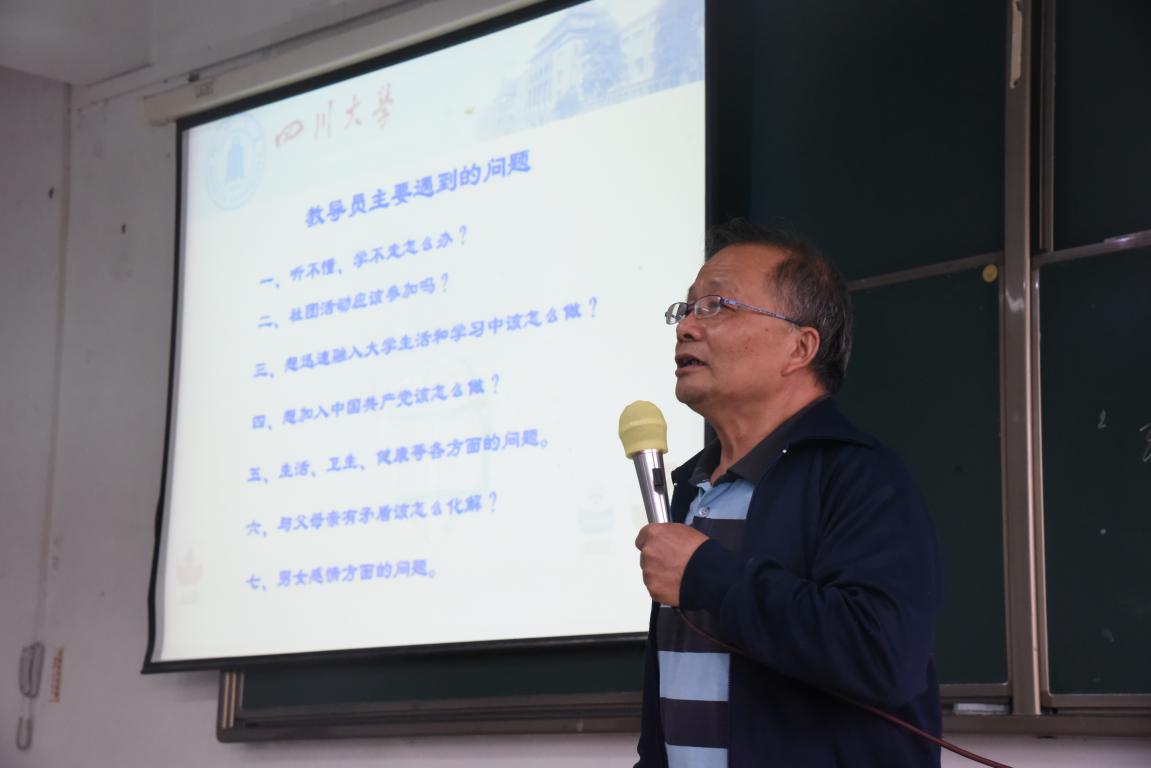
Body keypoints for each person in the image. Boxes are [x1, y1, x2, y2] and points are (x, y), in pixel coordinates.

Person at [634, 219, 941, 767]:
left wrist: (708, 575)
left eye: (716, 305)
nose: (686, 327)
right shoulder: (690, 492)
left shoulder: (860, 476)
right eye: (686, 309)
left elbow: (884, 656)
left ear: (799, 347)